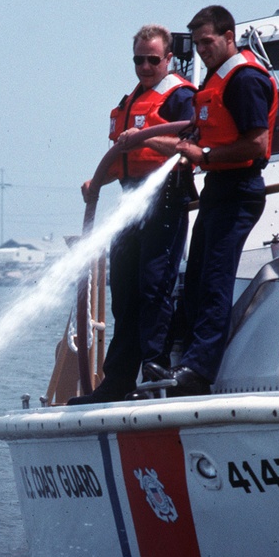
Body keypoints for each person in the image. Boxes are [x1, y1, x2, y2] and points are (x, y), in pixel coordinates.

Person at [148, 5, 278, 397]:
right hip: (218, 190)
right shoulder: (217, 79)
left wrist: (204, 157)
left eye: (209, 42)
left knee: (216, 281)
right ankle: (182, 360)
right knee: (198, 281)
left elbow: (257, 144)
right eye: (199, 44)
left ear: (228, 37)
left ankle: (199, 371)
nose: (204, 50)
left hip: (238, 189)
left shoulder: (244, 80)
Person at [68, 24, 196, 405]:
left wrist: (145, 137)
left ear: (168, 59)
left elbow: (191, 142)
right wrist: (97, 183)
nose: (144, 66)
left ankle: (155, 366)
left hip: (166, 197)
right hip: (130, 200)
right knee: (123, 288)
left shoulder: (180, 96)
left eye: (152, 59)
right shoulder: (131, 100)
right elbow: (125, 159)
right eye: (138, 59)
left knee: (154, 284)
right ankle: (118, 378)